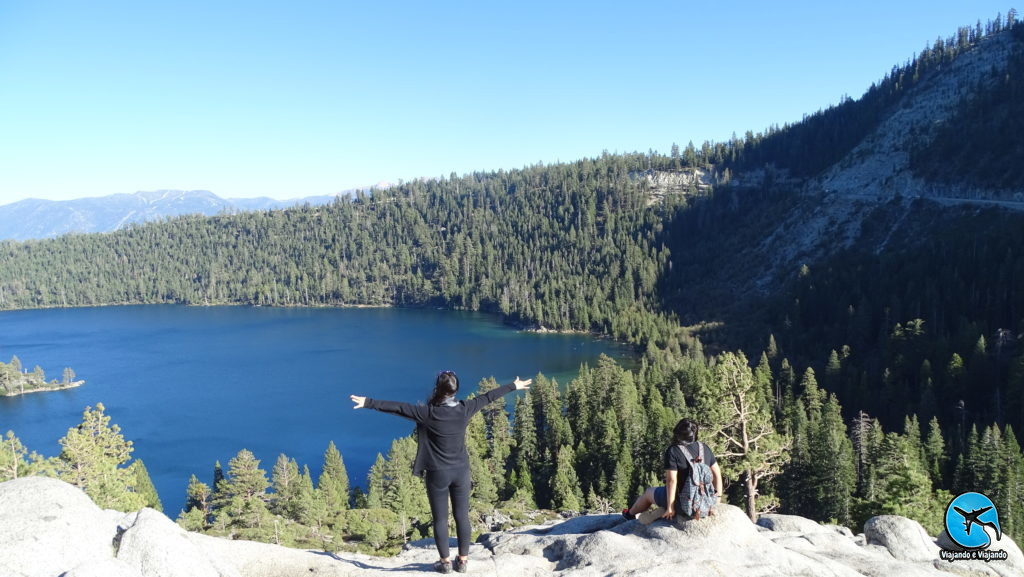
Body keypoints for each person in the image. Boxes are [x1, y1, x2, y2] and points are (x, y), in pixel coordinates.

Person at [351, 370, 531, 574]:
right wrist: (513, 386)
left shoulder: (428, 413)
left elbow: (399, 408)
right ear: (456, 390)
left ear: (437, 389)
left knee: (440, 520)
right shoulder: (465, 409)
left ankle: (445, 563)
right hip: (461, 472)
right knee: (462, 516)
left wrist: (368, 402)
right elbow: (488, 397)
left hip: (438, 473)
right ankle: (462, 562)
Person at [622, 418, 723, 522]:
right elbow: (717, 474)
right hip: (705, 501)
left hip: (683, 503)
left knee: (648, 493)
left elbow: (672, 481)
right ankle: (660, 510)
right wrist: (717, 499)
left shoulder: (673, 451)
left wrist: (671, 507)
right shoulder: (704, 448)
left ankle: (629, 514)